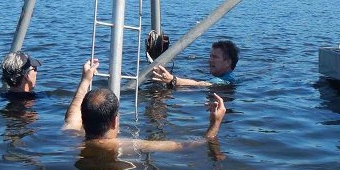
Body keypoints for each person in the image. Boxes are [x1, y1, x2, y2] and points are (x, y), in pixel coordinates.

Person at [63, 58, 226, 151]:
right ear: (114, 121)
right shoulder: (122, 145)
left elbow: (73, 114)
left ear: (84, 120)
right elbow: (183, 145)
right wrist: (215, 125)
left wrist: (85, 80)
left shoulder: (70, 135)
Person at [151, 40, 239, 88]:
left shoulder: (222, 81)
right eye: (210, 56)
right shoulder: (228, 77)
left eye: (215, 57)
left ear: (228, 62)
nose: (209, 60)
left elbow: (200, 84)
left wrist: (172, 80)